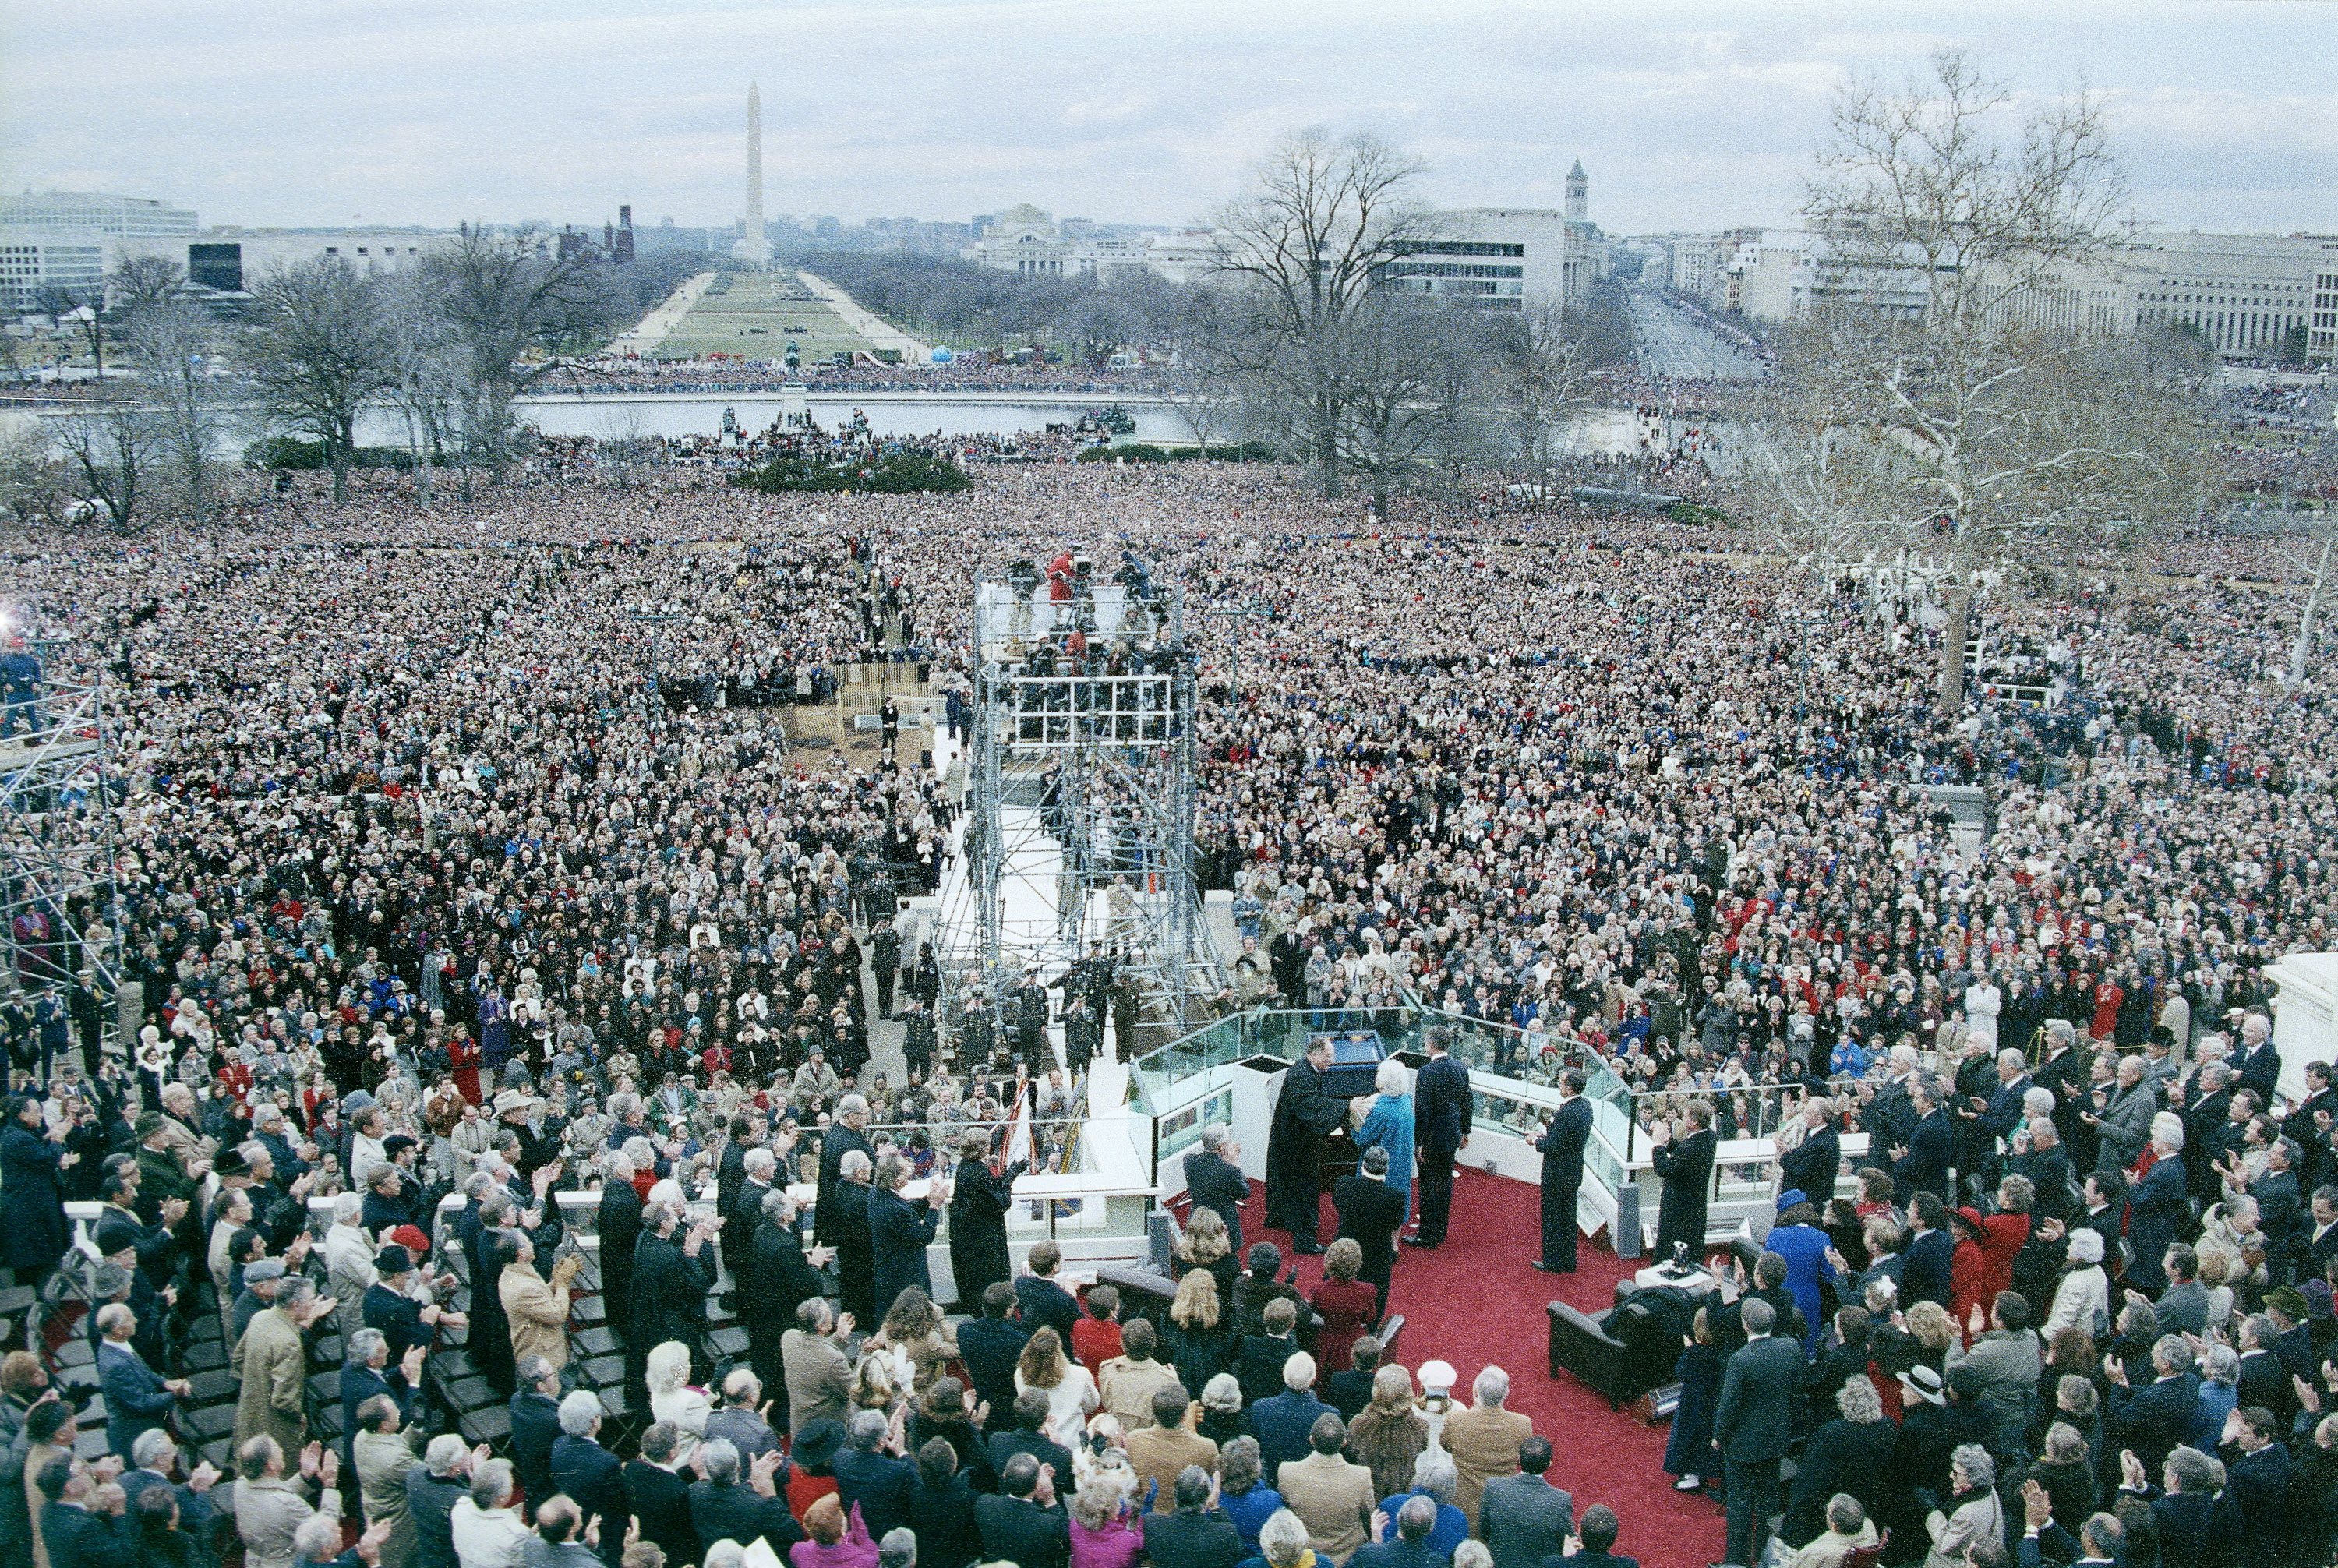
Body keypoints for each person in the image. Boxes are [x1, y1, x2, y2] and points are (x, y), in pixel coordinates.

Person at [1713, 1296, 1799, 1568]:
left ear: (1746, 1325)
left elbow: (1729, 1405)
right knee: (1768, 1500)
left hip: (1741, 1446)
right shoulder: (1790, 1347)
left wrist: (1718, 1437)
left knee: (1739, 1504)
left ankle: (1735, 1562)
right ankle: (1764, 1558)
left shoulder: (1741, 1360)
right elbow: (1797, 1392)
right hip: (1776, 1440)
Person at [1267, 1039, 1347, 1255]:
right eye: (1328, 1056)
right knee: (1304, 1187)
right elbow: (1311, 1106)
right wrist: (1346, 1106)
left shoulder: (1302, 1070)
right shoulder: (1303, 1075)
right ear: (1314, 1054)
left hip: (1291, 1139)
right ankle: (1305, 1240)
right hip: (1298, 1145)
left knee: (1289, 1183)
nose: (1332, 1060)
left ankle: (1282, 1217)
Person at [1275, 1414, 1374, 1566]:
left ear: (1311, 1440)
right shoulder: (1361, 1476)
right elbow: (1369, 1517)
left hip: (1306, 1558)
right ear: (1344, 1443)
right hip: (1347, 1558)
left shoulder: (1287, 1472)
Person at [1442, 1367, 1531, 1532]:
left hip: (1464, 1508)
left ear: (1475, 1391)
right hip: (1502, 1510)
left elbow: (1445, 1445)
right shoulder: (1523, 1424)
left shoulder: (1456, 1420)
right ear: (1506, 1394)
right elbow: (1522, 1461)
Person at [548, 1392, 629, 1568]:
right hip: (602, 1533)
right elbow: (619, 1506)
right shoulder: (607, 1462)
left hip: (572, 1523)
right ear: (594, 1421)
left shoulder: (558, 1444)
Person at [1409, 1029, 1470, 1251]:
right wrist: (1465, 1131)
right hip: (1451, 1134)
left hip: (1432, 1138)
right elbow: (1467, 1101)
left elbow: (1423, 1109)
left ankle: (1427, 1234)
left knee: (1427, 1184)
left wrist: (1419, 1141)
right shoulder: (1460, 1068)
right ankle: (1440, 1230)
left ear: (1431, 1044)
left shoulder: (1426, 1072)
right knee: (1445, 1183)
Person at [946, 1135, 1024, 1305]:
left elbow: (993, 1190)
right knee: (989, 1289)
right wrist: (1012, 1174)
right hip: (983, 1242)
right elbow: (1000, 1201)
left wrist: (1012, 1172)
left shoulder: (965, 1167)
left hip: (970, 1239)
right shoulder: (977, 1172)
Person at [1474, 1436, 1571, 1568]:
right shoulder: (1561, 1500)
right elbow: (1567, 1544)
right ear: (1549, 1465)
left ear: (1519, 1460)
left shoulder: (1494, 1487)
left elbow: (1484, 1531)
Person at [1333, 1152, 1404, 1319]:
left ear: (1363, 1165)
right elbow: (1395, 1224)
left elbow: (1338, 1204)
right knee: (1374, 1303)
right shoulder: (1396, 1198)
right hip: (1376, 1258)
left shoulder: (1344, 1184)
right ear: (1386, 1169)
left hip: (1345, 1251)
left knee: (1335, 1290)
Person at [1532, 1072, 1590, 1273]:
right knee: (1567, 1218)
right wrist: (1548, 1132)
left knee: (1552, 1217)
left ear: (1570, 1088)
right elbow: (1567, 1137)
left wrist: (1536, 1141)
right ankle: (1568, 1260)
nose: (1559, 1086)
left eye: (1562, 1083)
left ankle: (1553, 1262)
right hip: (1572, 1172)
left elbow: (1555, 1146)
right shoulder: (1585, 1106)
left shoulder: (1567, 1111)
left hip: (1556, 1174)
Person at [974, 1453, 1070, 1568]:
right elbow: (1068, 1539)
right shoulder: (1050, 1524)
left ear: (1004, 1475)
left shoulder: (984, 1503)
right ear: (1037, 1484)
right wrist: (1050, 1499)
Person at [1648, 1104, 1716, 1262]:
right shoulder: (1710, 1137)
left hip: (1677, 1207)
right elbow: (1685, 1156)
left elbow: (1664, 1169)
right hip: (1695, 1204)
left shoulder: (1689, 1148)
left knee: (1670, 1245)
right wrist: (1670, 1142)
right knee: (1693, 1243)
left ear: (1694, 1122)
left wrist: (1658, 1144)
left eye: (1685, 1117)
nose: (1682, 1119)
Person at [1145, 1465, 1242, 1568]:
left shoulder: (1152, 1523)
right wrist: (1215, 1507)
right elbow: (1236, 1554)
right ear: (1207, 1499)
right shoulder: (1226, 1534)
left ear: (1175, 1494)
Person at [1354, 1059, 1415, 1221]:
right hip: (1402, 1161)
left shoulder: (1382, 1110)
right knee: (1398, 1204)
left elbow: (1362, 1139)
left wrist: (1353, 1125)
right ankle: (1393, 1244)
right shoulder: (1405, 1099)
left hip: (1381, 1165)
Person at [1186, 1126, 1250, 1257]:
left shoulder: (1189, 1160)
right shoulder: (1229, 1171)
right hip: (1224, 1224)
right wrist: (1234, 1162)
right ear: (1221, 1147)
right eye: (1229, 1141)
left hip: (1198, 1219)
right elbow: (1245, 1192)